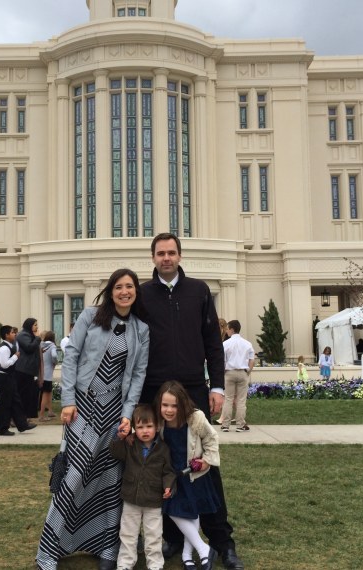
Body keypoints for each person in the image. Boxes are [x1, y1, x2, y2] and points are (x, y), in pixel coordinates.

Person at [139, 232, 244, 570]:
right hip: (154, 391)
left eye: (171, 253)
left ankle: (221, 540)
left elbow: (212, 343)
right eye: (160, 253)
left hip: (193, 390)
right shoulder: (142, 294)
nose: (166, 258)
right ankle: (172, 536)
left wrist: (216, 387)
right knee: (162, 464)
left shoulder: (198, 291)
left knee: (203, 467)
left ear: (180, 256)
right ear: (153, 258)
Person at [37, 268, 150, 570]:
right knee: (74, 476)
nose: (124, 292)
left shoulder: (141, 329)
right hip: (84, 408)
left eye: (130, 287)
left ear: (135, 292)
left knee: (111, 480)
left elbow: (138, 375)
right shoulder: (91, 316)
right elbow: (71, 356)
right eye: (119, 287)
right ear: (111, 291)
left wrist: (128, 415)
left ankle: (107, 549)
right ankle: (48, 551)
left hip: (114, 413)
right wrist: (68, 401)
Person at [156, 381, 221, 570]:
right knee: (174, 510)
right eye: (165, 405)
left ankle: (187, 555)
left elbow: (211, 439)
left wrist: (207, 460)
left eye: (174, 405)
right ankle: (203, 549)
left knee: (192, 513)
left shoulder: (196, 418)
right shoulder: (159, 420)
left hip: (193, 473)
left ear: (182, 404)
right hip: (172, 475)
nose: (169, 410)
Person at [109, 404, 175, 570]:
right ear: (134, 428)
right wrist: (121, 437)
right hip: (131, 498)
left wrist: (168, 487)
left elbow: (169, 472)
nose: (145, 431)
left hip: (154, 500)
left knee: (154, 535)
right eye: (140, 427)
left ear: (157, 426)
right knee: (128, 534)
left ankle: (155, 564)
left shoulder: (163, 448)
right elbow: (115, 452)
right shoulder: (130, 444)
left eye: (149, 426)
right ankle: (125, 563)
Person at [0, 325, 36, 436]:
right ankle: (2, 429)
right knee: (5, 403)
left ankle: (22, 425)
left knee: (16, 401)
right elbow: (4, 364)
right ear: (6, 335)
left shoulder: (11, 346)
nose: (15, 334)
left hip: (9, 376)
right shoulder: (4, 348)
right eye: (12, 332)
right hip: (3, 377)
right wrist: (15, 357)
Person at [220, 320, 255, 433]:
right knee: (241, 400)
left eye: (227, 329)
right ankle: (240, 425)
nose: (226, 331)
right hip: (242, 372)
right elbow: (252, 360)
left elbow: (222, 360)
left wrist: (224, 371)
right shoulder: (247, 343)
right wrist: (247, 371)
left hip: (229, 372)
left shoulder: (225, 344)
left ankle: (225, 424)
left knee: (228, 399)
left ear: (232, 329)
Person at [16, 318, 42, 419]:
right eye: (35, 325)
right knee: (21, 395)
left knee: (27, 396)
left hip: (28, 370)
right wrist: (38, 338)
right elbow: (29, 347)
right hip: (23, 370)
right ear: (29, 325)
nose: (37, 327)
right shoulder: (23, 335)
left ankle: (23, 418)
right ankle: (16, 418)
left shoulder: (30, 335)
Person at [38, 330, 58, 422]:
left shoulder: (41, 345)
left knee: (49, 393)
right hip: (48, 374)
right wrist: (55, 362)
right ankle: (41, 415)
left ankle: (50, 411)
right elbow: (54, 355)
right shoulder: (52, 346)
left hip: (42, 373)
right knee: (45, 394)